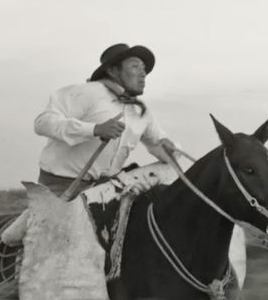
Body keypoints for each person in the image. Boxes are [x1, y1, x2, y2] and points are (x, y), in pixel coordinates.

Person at [33, 43, 179, 196]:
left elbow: (158, 143)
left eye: (144, 69)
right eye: (135, 66)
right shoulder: (86, 92)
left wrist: (170, 149)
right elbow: (43, 123)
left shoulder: (141, 111)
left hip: (108, 189)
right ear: (113, 71)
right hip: (62, 188)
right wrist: (95, 129)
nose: (143, 73)